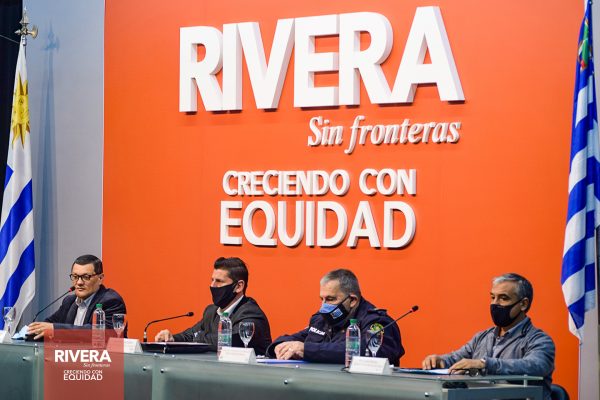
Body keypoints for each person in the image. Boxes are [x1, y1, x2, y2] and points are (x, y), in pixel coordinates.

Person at [422, 273, 555, 400]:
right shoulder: (483, 337)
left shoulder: (540, 340)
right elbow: (457, 358)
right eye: (492, 297)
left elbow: (535, 366)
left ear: (523, 304)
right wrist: (440, 360)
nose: (495, 304)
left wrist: (485, 364)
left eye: (503, 298)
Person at [266, 269, 404, 365]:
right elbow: (297, 338)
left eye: (330, 299)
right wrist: (280, 346)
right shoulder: (321, 319)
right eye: (322, 299)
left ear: (352, 300)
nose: (324, 306)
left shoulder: (377, 321)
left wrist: (308, 350)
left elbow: (368, 352)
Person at [155, 257, 272, 355]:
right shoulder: (211, 311)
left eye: (219, 281)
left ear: (239, 286)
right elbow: (190, 334)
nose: (212, 285)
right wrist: (172, 339)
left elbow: (229, 341)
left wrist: (198, 336)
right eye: (212, 280)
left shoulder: (250, 313)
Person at [27, 254, 127, 339]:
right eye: (75, 277)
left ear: (100, 278)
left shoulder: (111, 301)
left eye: (86, 277)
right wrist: (33, 330)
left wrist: (56, 330)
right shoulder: (69, 301)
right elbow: (49, 324)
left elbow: (103, 334)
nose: (79, 282)